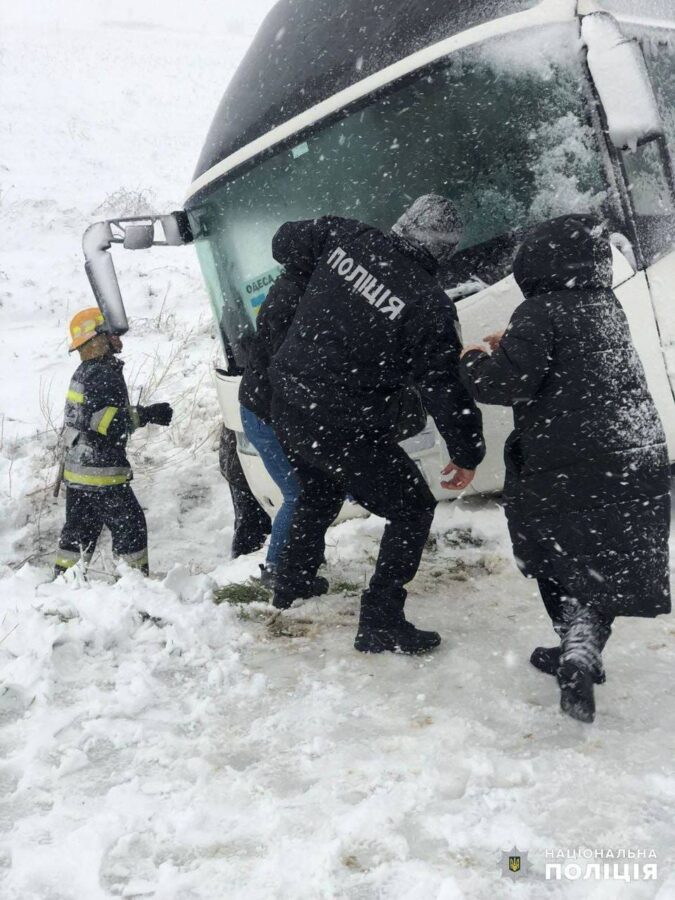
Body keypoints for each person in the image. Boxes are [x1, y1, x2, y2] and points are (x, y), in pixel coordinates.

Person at [460, 214, 671, 723]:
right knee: (608, 558)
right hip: (632, 448)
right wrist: (514, 341)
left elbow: (505, 384)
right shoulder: (605, 304)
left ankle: (575, 644)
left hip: (570, 460)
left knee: (555, 551)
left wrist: (473, 358)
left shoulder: (537, 310)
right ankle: (581, 647)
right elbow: (568, 361)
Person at [267, 194, 486, 654]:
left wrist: (328, 276)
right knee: (412, 509)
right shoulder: (429, 306)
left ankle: (291, 581)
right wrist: (468, 453)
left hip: (287, 401)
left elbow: (283, 241)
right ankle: (381, 619)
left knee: (320, 488)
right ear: (443, 251)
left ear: (404, 223)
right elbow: (445, 387)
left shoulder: (346, 235)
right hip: (344, 422)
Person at [54, 307, 173, 577]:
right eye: (111, 333)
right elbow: (105, 423)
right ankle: (133, 588)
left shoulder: (85, 371)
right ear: (98, 339)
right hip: (101, 472)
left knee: (78, 535)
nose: (118, 338)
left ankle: (63, 584)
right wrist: (148, 414)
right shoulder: (103, 373)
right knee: (131, 528)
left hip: (78, 472)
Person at [238, 263, 327, 595]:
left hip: (267, 410)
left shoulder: (289, 292)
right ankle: (278, 569)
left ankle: (301, 560)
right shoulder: (297, 308)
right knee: (299, 493)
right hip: (265, 416)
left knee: (315, 488)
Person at [218, 423, 272, 559]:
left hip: (248, 460)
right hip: (244, 465)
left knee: (251, 524)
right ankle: (242, 567)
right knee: (251, 526)